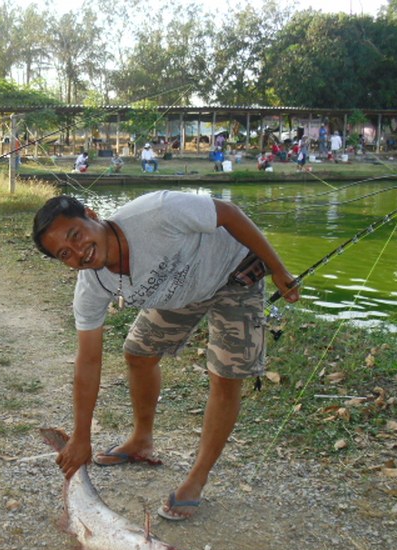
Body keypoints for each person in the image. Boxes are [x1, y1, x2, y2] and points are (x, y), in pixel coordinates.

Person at [31, 192, 300, 520]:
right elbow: (88, 361)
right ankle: (141, 441)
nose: (79, 252)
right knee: (139, 352)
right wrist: (81, 437)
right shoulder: (92, 285)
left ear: (91, 214)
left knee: (227, 373)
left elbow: (229, 213)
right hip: (183, 291)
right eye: (65, 254)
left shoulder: (158, 212)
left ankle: (197, 477)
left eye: (76, 235)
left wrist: (278, 269)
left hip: (234, 275)